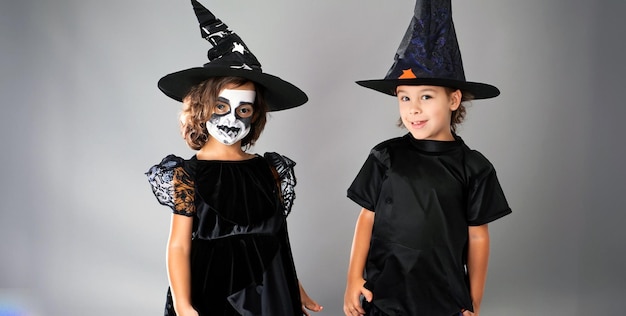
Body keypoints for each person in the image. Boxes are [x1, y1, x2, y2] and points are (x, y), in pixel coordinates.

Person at [146, 1, 322, 315]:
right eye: (221, 107)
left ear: (256, 115)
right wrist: (184, 304)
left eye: (244, 109)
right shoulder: (187, 174)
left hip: (270, 286)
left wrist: (294, 286)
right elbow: (179, 245)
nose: (231, 119)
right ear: (201, 108)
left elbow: (278, 236)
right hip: (211, 288)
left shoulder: (269, 169)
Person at [342, 1, 511, 315]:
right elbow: (367, 217)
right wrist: (353, 277)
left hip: (443, 299)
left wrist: (473, 300)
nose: (413, 108)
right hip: (384, 294)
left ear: (454, 99)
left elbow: (478, 237)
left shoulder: (474, 168)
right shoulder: (385, 156)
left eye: (426, 96)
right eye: (404, 97)